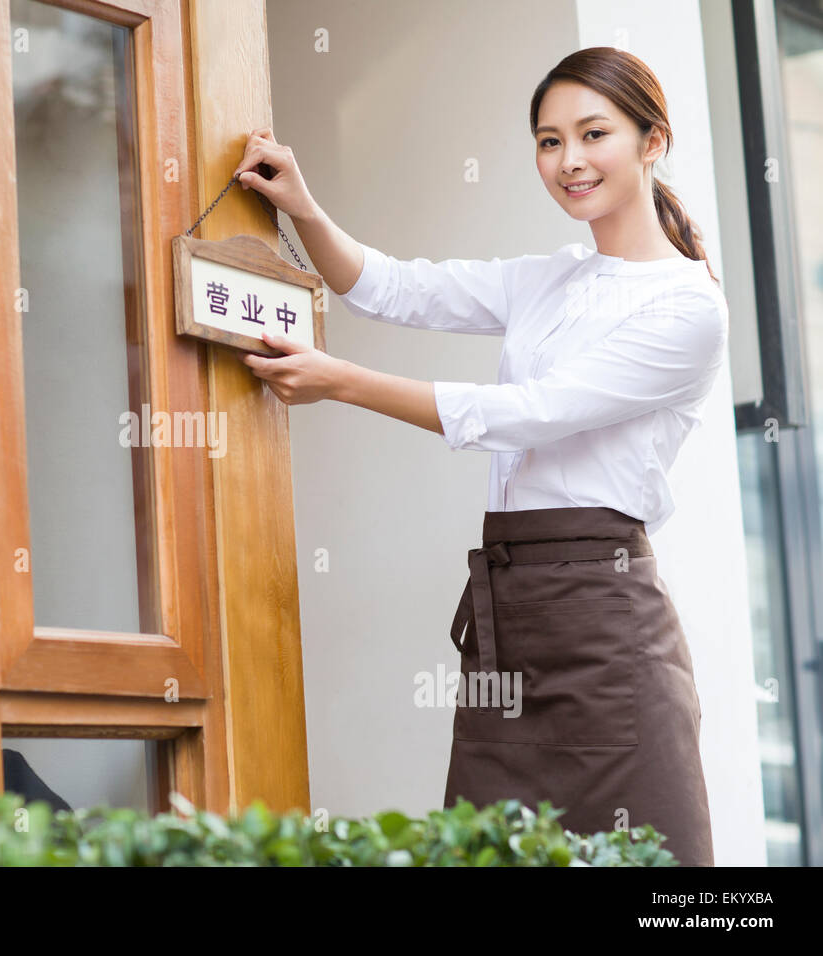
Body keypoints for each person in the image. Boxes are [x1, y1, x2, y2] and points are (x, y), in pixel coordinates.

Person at [232, 47, 722, 866]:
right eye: (547, 140)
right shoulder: (549, 280)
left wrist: (343, 383)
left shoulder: (688, 309)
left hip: (606, 627)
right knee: (486, 854)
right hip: (508, 611)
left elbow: (531, 415)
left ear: (653, 141)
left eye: (592, 133)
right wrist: (305, 208)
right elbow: (389, 286)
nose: (568, 161)